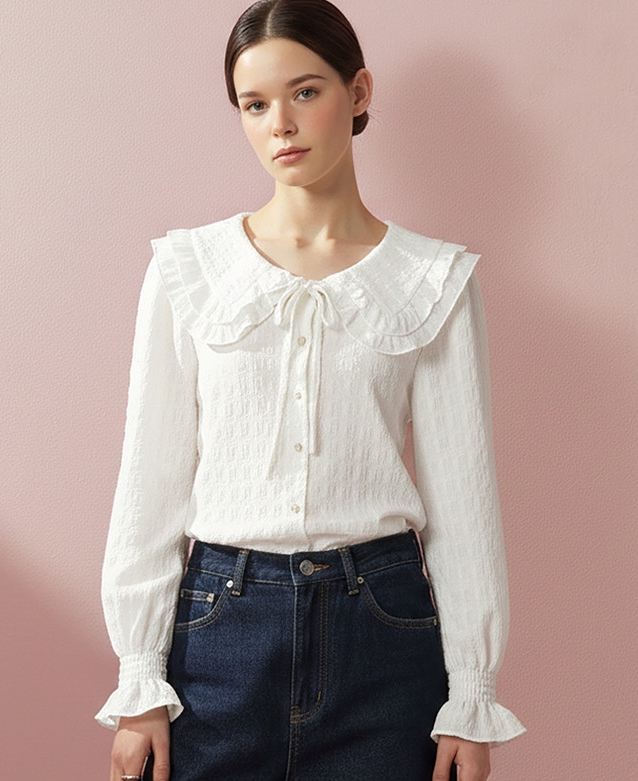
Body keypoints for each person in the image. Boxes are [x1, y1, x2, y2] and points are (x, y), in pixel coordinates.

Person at [96, 1, 526, 779]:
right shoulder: (188, 271)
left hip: (383, 631)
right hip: (218, 630)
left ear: (358, 92)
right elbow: (149, 484)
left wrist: (472, 692)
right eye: (254, 104)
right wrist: (139, 681)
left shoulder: (433, 282)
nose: (281, 125)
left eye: (304, 92)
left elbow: (464, 502)